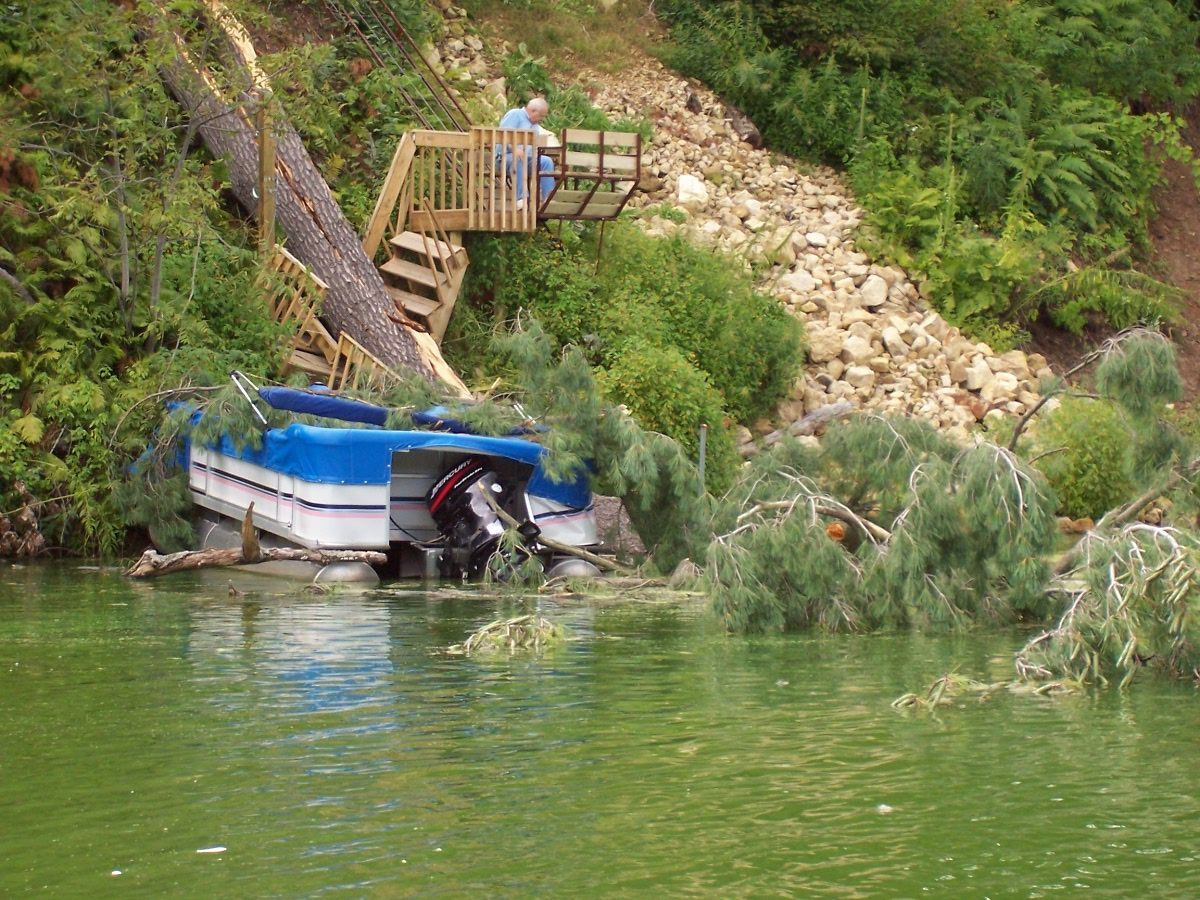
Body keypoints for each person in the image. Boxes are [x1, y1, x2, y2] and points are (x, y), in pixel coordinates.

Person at [498, 98, 555, 210]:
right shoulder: (515, 115)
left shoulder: (535, 126)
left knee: (546, 161)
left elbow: (533, 147)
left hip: (525, 159)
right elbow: (503, 134)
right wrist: (514, 149)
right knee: (519, 157)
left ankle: (548, 199)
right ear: (533, 111)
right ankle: (521, 198)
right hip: (504, 157)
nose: (541, 119)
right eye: (540, 116)